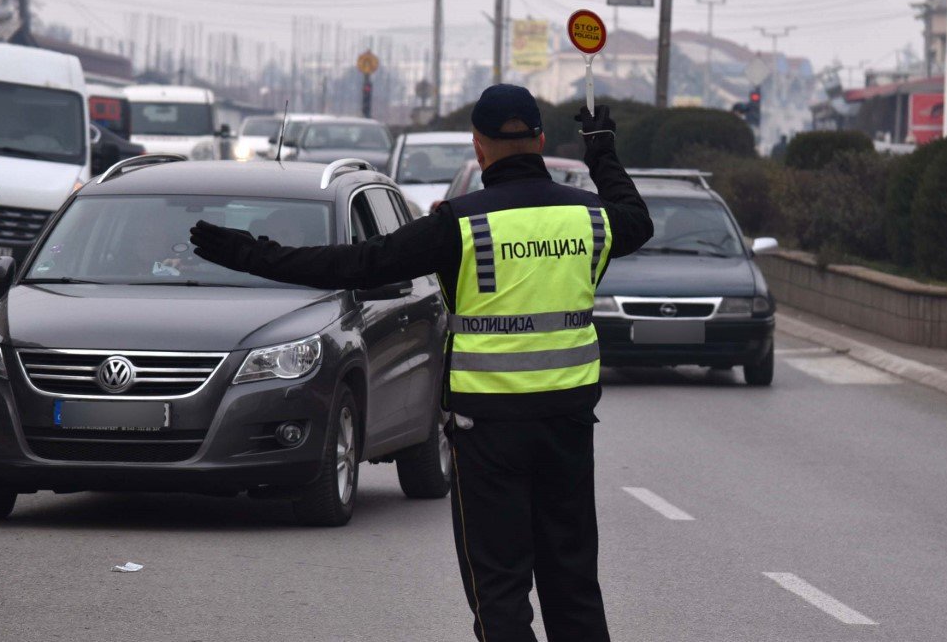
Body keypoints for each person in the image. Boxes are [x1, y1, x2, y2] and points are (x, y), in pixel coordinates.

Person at [190, 85, 653, 642]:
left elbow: (354, 263)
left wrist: (245, 252)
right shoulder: (588, 219)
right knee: (574, 586)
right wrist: (601, 148)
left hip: (488, 435)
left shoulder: (460, 224)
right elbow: (636, 218)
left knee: (500, 591)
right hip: (569, 427)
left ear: (478, 148)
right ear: (541, 140)